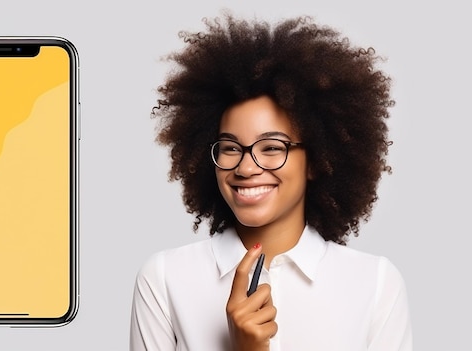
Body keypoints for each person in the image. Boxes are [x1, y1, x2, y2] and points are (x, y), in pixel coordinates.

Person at [129, 13, 412, 351]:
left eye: (272, 147)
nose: (247, 168)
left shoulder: (375, 284)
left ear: (317, 161)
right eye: (231, 148)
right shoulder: (164, 279)